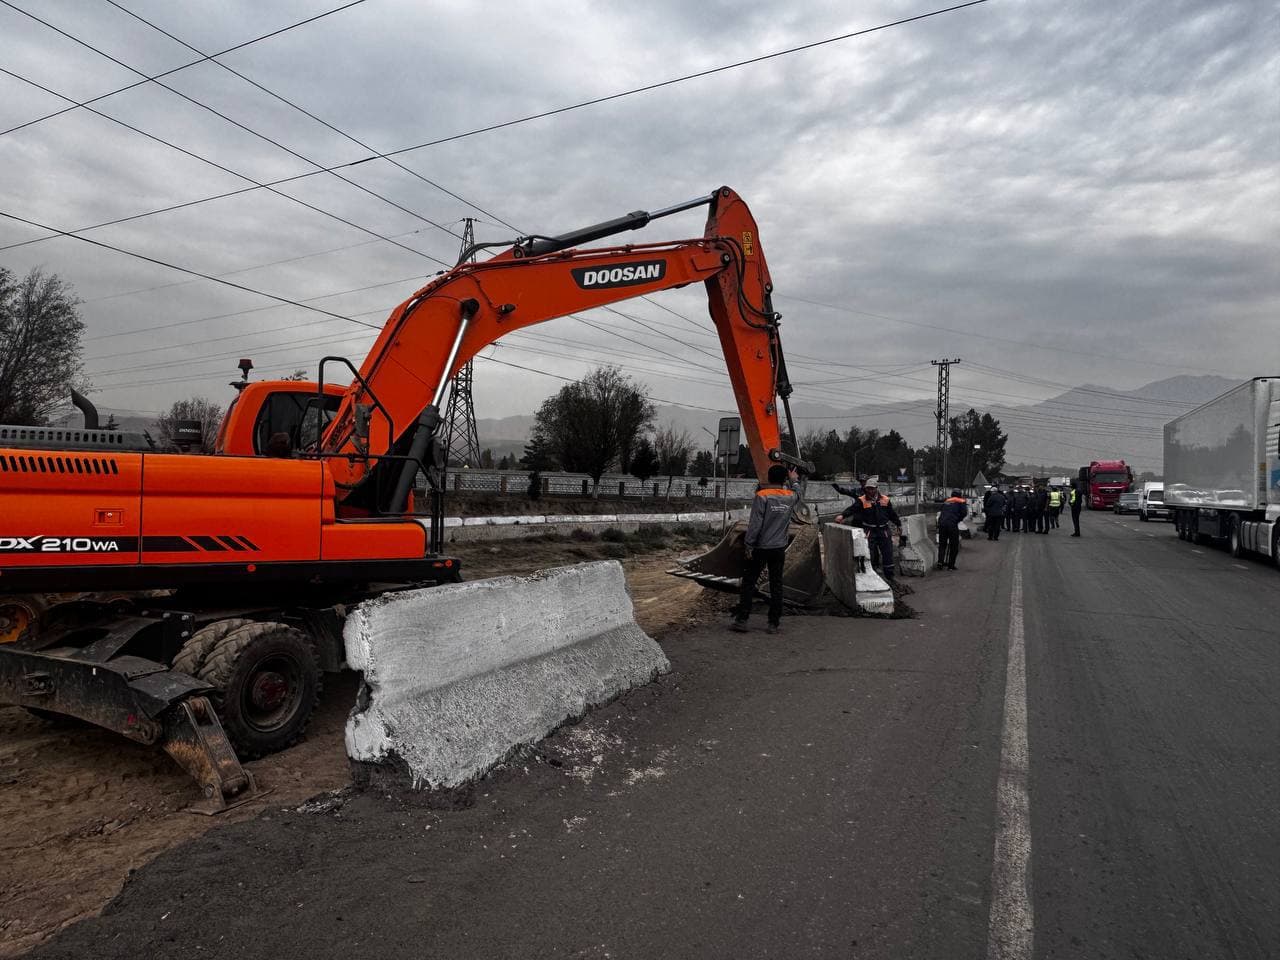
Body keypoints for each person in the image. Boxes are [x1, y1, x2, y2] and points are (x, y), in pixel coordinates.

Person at [730, 464, 798, 634]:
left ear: (768, 478)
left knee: (749, 583)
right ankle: (773, 623)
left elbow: (755, 524)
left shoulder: (762, 496)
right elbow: (799, 494)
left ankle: (742, 620)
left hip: (760, 547)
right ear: (784, 479)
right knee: (776, 585)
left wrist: (749, 544)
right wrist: (793, 480)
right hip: (779, 548)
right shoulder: (790, 497)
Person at [835, 478, 902, 579]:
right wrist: (842, 516)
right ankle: (870, 575)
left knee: (887, 553)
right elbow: (852, 509)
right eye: (868, 489)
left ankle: (889, 576)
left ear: (876, 488)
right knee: (868, 553)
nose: (870, 491)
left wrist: (898, 524)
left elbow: (892, 514)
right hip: (869, 531)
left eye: (872, 489)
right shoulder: (861, 500)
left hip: (884, 531)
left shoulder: (885, 499)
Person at [936, 488, 968, 570]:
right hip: (952, 525)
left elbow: (941, 511)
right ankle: (951, 565)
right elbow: (964, 513)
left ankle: (940, 562)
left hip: (942, 524)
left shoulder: (947, 500)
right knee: (954, 545)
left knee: (942, 544)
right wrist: (957, 519)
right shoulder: (961, 501)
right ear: (960, 494)